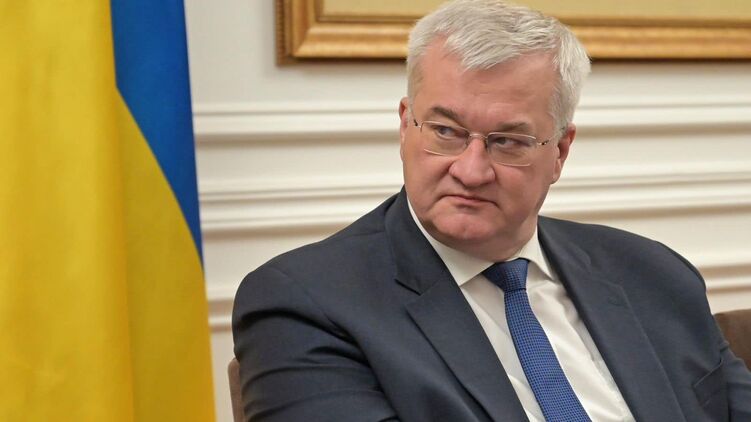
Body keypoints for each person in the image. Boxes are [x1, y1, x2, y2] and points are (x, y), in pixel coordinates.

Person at [232, 0, 751, 420]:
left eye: (508, 141)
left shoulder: (653, 273)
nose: (471, 170)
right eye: (445, 132)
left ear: (560, 152)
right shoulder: (308, 303)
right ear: (405, 126)